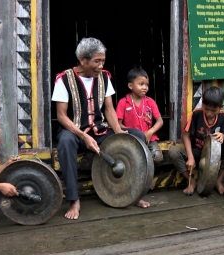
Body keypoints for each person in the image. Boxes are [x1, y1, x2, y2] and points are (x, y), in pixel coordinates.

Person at [52, 37, 150, 220]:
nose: (101, 65)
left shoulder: (104, 77)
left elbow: (109, 109)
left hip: (100, 131)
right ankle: (74, 199)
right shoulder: (64, 80)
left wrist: (120, 134)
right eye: (97, 61)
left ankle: (133, 192)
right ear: (83, 60)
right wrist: (83, 136)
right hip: (75, 132)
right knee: (65, 142)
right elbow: (61, 116)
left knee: (135, 136)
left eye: (103, 60)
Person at [168, 86, 224, 195]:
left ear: (220, 107)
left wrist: (222, 136)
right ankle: (191, 182)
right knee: (174, 151)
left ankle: (218, 180)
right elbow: (185, 135)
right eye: (206, 108)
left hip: (214, 154)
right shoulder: (196, 114)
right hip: (197, 151)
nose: (209, 113)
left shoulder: (222, 115)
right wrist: (190, 157)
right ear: (202, 104)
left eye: (213, 110)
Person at [116, 67, 164, 164]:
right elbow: (118, 124)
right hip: (131, 139)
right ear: (130, 85)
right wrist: (129, 133)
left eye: (147, 85)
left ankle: (149, 176)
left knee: (157, 157)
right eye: (141, 84)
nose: (145, 87)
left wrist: (150, 132)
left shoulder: (150, 102)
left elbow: (160, 121)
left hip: (148, 138)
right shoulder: (123, 102)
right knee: (133, 160)